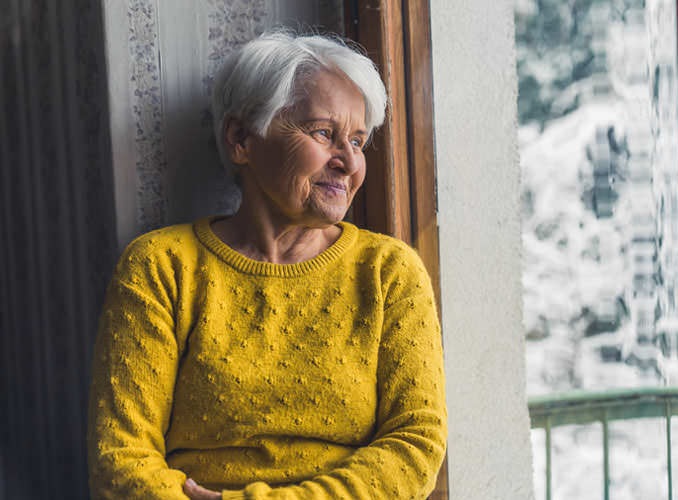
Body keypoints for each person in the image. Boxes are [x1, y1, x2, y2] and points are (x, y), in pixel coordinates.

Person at [87, 30, 447, 499]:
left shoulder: (389, 272)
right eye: (324, 133)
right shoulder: (160, 267)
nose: (349, 163)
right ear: (241, 139)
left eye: (358, 142)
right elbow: (119, 458)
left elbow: (416, 445)